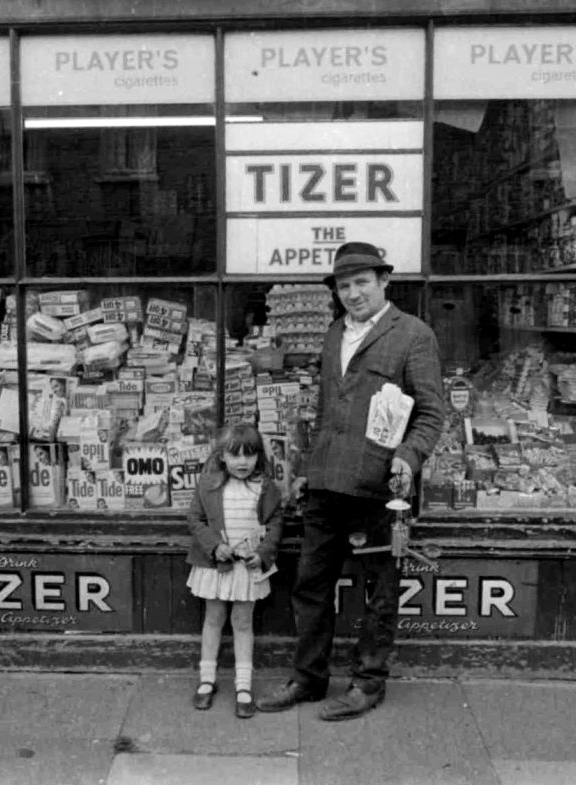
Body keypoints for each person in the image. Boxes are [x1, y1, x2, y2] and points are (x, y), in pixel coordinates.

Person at [256, 241, 446, 722]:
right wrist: (305, 469)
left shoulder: (413, 335)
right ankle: (309, 678)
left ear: (385, 281)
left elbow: (430, 413)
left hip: (380, 488)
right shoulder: (333, 333)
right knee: (310, 585)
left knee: (380, 591)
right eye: (344, 285)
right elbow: (327, 412)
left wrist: (408, 456)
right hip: (325, 482)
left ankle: (368, 682)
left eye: (363, 282)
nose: (353, 293)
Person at [184, 422, 285, 719]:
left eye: (250, 455)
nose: (243, 462)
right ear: (222, 456)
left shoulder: (265, 488)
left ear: (258, 457)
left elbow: (276, 523)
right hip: (217, 566)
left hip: (248, 568)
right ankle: (207, 679)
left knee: (242, 622)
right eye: (235, 455)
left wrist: (264, 553)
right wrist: (214, 546)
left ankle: (243, 684)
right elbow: (195, 519)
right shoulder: (209, 484)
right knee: (213, 618)